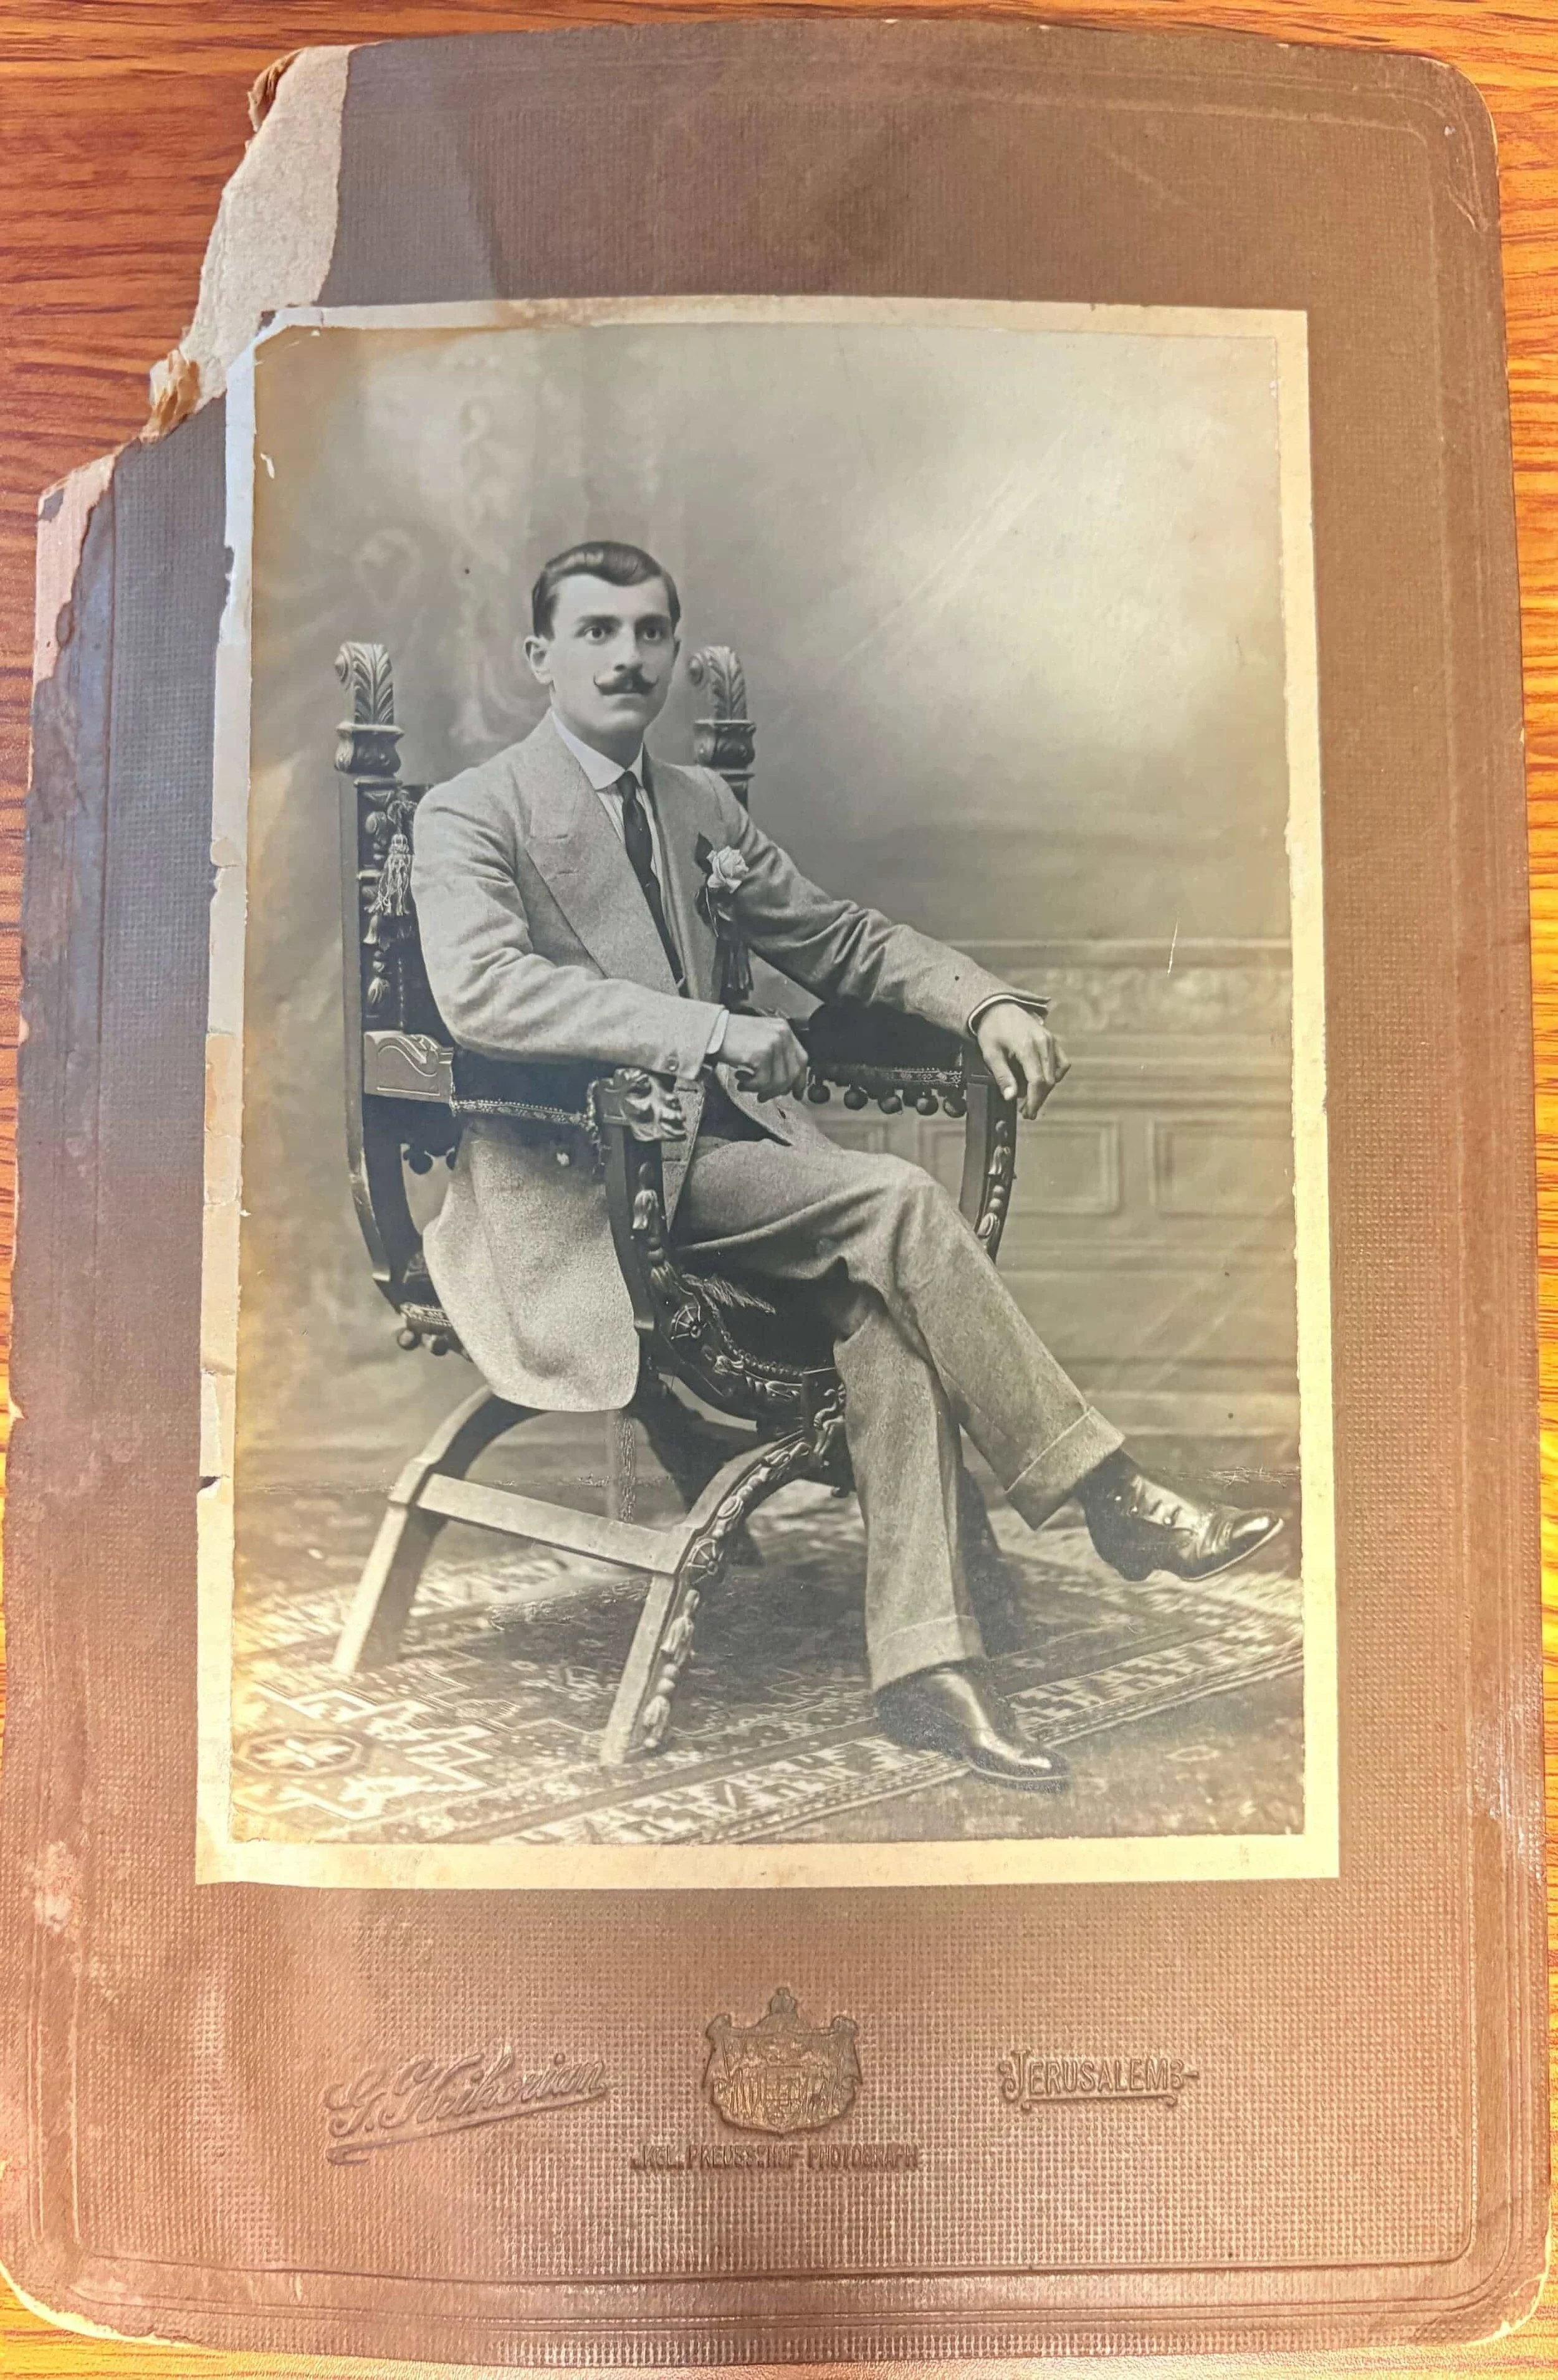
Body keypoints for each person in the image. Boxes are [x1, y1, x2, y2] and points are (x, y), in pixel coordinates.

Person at [411, 541, 1280, 1790]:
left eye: (649, 631)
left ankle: (928, 1671)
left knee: (887, 1305)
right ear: (538, 655)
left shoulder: (700, 807)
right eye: (595, 631)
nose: (627, 656)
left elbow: (840, 938)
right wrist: (709, 1028)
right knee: (896, 1198)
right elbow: (483, 990)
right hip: (580, 1186)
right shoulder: (470, 811)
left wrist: (977, 1001)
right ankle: (1108, 1492)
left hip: (723, 1167)